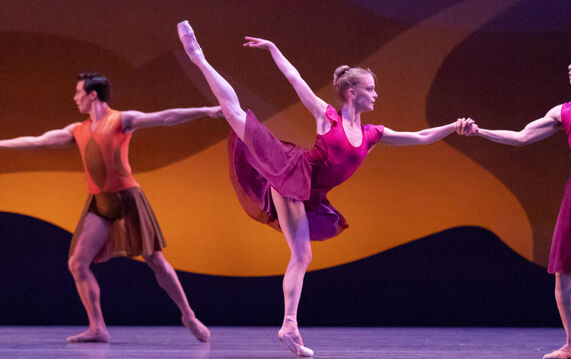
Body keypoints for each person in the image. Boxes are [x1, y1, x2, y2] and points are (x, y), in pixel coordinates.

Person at [177, 20, 468, 357]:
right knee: (235, 114)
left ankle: (289, 326)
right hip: (291, 174)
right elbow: (295, 79)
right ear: (352, 93)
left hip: (310, 195)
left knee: (302, 255)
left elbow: (419, 137)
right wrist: (273, 49)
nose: (376, 95)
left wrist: (453, 126)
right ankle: (198, 56)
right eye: (371, 89)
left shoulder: (374, 134)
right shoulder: (327, 116)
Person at [0, 73, 222, 343]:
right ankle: (98, 328)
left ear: (92, 94)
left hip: (127, 198)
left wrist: (207, 110)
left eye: (78, 92)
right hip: (99, 202)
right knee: (77, 263)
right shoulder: (77, 130)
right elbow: (38, 140)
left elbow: (165, 116)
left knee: (155, 260)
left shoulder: (121, 120)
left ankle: (188, 315)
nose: (74, 98)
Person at [458, 41, 571, 359]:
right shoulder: (562, 112)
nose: (570, 65)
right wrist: (480, 132)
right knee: (563, 271)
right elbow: (523, 136)